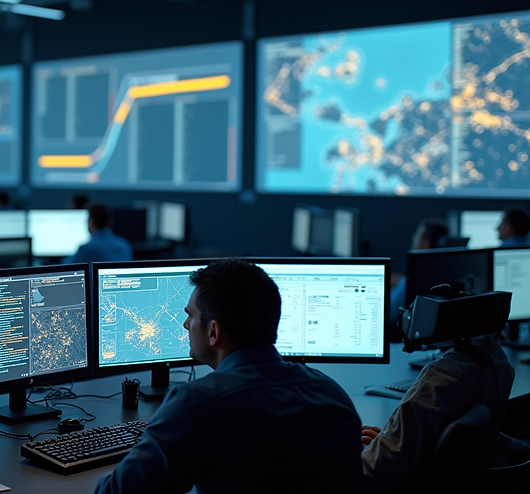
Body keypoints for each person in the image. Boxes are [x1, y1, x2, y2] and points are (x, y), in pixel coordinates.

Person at [94, 259, 363, 494]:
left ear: (214, 332)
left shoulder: (198, 403)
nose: (186, 325)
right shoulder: (330, 392)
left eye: (192, 316)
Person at [361, 334, 515, 492]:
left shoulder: (441, 378)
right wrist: (392, 440)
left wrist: (339, 452)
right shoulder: (495, 359)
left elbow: (369, 477)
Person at [389, 218, 449, 318]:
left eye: (416, 237)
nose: (413, 239)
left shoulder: (409, 283)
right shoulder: (439, 273)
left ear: (426, 243)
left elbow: (390, 313)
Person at [64, 203, 133, 264]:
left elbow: (68, 267)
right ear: (110, 222)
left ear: (91, 223)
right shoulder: (124, 245)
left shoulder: (86, 250)